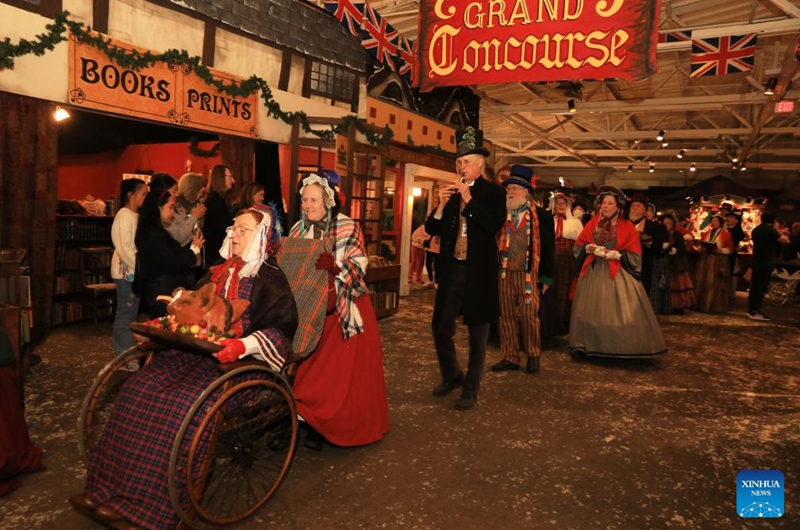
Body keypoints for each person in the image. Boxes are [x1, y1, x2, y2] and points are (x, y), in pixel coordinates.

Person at [73, 207, 298, 530]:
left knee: (182, 405)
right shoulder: (218, 272)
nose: (233, 233)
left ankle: (148, 509)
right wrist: (159, 325)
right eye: (233, 228)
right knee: (138, 390)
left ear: (262, 238)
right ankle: (106, 491)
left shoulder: (271, 280)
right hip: (194, 353)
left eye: (243, 230)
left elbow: (282, 329)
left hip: (239, 367)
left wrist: (241, 345)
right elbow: (188, 309)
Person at [289, 171, 390, 447]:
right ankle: (305, 419)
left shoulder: (348, 227)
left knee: (336, 376)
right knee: (307, 368)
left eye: (312, 200)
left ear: (328, 201)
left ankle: (330, 426)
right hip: (309, 307)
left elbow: (359, 268)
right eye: (304, 200)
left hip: (343, 308)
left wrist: (335, 267)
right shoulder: (298, 229)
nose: (306, 205)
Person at [424, 127, 506, 411]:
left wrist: (468, 201)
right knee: (440, 328)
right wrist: (440, 204)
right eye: (458, 162)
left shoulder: (494, 193)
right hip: (452, 272)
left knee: (477, 334)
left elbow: (493, 225)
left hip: (479, 273)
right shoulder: (451, 194)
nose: (461, 166)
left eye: (467, 161)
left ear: (481, 164)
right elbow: (432, 228)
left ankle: (470, 389)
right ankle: (452, 375)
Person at [569, 185, 667, 358]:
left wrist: (619, 255)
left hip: (618, 274)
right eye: (603, 203)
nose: (605, 206)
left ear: (618, 207)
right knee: (590, 311)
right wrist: (589, 248)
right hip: (594, 272)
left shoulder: (627, 226)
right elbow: (579, 244)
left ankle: (617, 345)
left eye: (609, 203)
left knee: (620, 311)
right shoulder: (592, 223)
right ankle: (587, 343)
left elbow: (635, 253)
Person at [491, 165, 554, 374]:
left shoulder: (542, 217)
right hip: (504, 273)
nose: (510, 192)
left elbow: (548, 248)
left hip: (528, 274)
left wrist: (545, 277)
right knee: (506, 316)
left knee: (529, 316)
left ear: (526, 191)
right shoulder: (500, 213)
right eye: (509, 188)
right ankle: (510, 356)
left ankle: (533, 354)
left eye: (515, 188)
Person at [134, 189, 204, 317]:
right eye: (170, 207)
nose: (172, 212)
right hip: (160, 290)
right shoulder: (152, 233)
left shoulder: (155, 231)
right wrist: (194, 250)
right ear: (158, 209)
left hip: (163, 286)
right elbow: (170, 263)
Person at [110, 178, 147, 359]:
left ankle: (128, 354)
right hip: (127, 271)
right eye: (142, 194)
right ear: (130, 195)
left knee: (131, 315)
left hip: (135, 271)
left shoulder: (137, 216)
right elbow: (125, 247)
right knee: (125, 315)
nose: (144, 198)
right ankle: (123, 355)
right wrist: (139, 267)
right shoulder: (124, 215)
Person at [539, 191, 582, 337]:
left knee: (565, 290)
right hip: (551, 257)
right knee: (550, 288)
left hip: (568, 259)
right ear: (554, 205)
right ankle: (550, 322)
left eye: (563, 203)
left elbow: (580, 243)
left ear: (568, 205)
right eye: (558, 203)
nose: (561, 206)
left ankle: (564, 322)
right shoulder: (549, 220)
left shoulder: (575, 222)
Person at [628, 194, 671, 314]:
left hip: (645, 265)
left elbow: (662, 248)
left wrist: (647, 241)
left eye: (638, 206)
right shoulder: (623, 224)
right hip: (624, 264)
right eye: (633, 206)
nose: (635, 208)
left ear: (645, 211)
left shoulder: (657, 228)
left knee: (642, 294)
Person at [748, 212, 790, 321]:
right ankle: (755, 311)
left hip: (756, 260)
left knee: (754, 286)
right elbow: (785, 240)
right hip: (765, 262)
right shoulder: (770, 230)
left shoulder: (756, 229)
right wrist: (777, 229)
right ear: (773, 221)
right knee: (761, 287)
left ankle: (751, 309)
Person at [693, 215, 733, 314]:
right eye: (712, 221)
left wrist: (721, 250)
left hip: (719, 260)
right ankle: (701, 303)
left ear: (720, 223)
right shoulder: (706, 233)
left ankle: (715, 306)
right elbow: (701, 245)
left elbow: (730, 248)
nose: (713, 222)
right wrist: (701, 249)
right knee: (703, 281)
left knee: (716, 282)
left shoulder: (726, 234)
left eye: (716, 221)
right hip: (706, 259)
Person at [660, 213, 695, 313]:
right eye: (665, 223)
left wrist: (676, 250)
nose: (667, 225)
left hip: (676, 264)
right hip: (664, 262)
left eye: (669, 223)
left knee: (677, 284)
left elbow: (682, 248)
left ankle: (678, 306)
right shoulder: (660, 234)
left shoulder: (677, 235)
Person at [204, 164, 235, 267]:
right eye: (230, 176)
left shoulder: (219, 199)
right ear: (220, 178)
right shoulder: (214, 201)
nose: (233, 180)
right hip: (216, 254)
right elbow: (222, 228)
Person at [169, 172, 207, 247]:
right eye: (200, 187)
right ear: (192, 188)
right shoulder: (174, 208)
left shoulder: (197, 204)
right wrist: (194, 216)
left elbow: (200, 228)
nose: (203, 189)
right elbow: (178, 238)